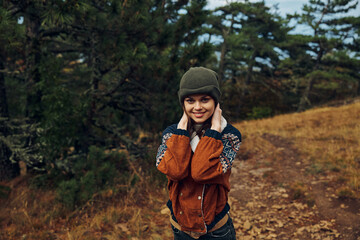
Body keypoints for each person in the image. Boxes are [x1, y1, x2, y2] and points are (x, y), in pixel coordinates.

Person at [156, 67, 242, 239]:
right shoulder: (171, 134)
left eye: (204, 100)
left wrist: (214, 131)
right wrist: (181, 134)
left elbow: (201, 173)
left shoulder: (230, 136)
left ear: (216, 102)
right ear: (183, 103)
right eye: (190, 100)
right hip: (180, 229)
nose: (197, 107)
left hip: (216, 231)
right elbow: (175, 171)